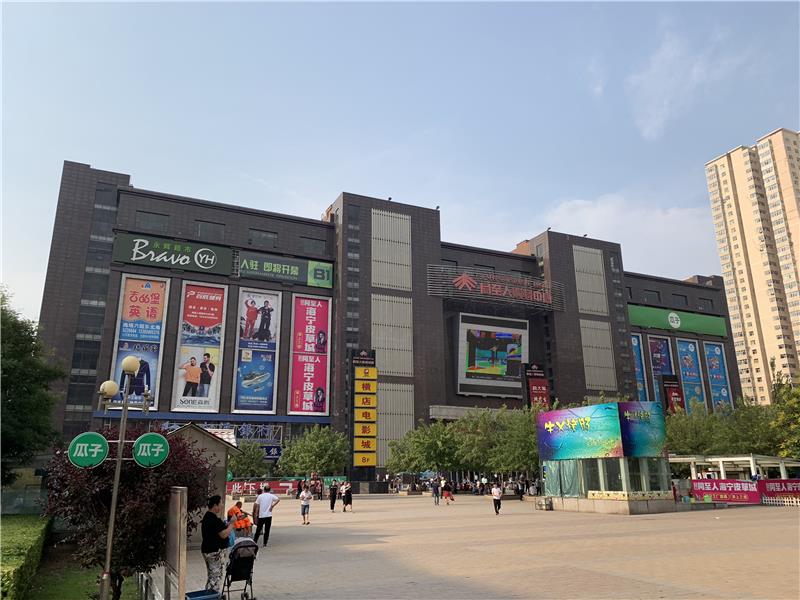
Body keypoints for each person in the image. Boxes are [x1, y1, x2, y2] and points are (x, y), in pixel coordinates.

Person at [201, 495, 234, 593]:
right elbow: (223, 534)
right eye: (220, 503)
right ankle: (211, 595)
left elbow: (220, 529)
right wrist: (232, 524)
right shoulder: (212, 519)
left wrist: (228, 524)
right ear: (215, 505)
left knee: (212, 576)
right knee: (215, 578)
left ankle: (209, 595)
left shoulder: (209, 517)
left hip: (209, 550)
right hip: (214, 552)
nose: (222, 505)